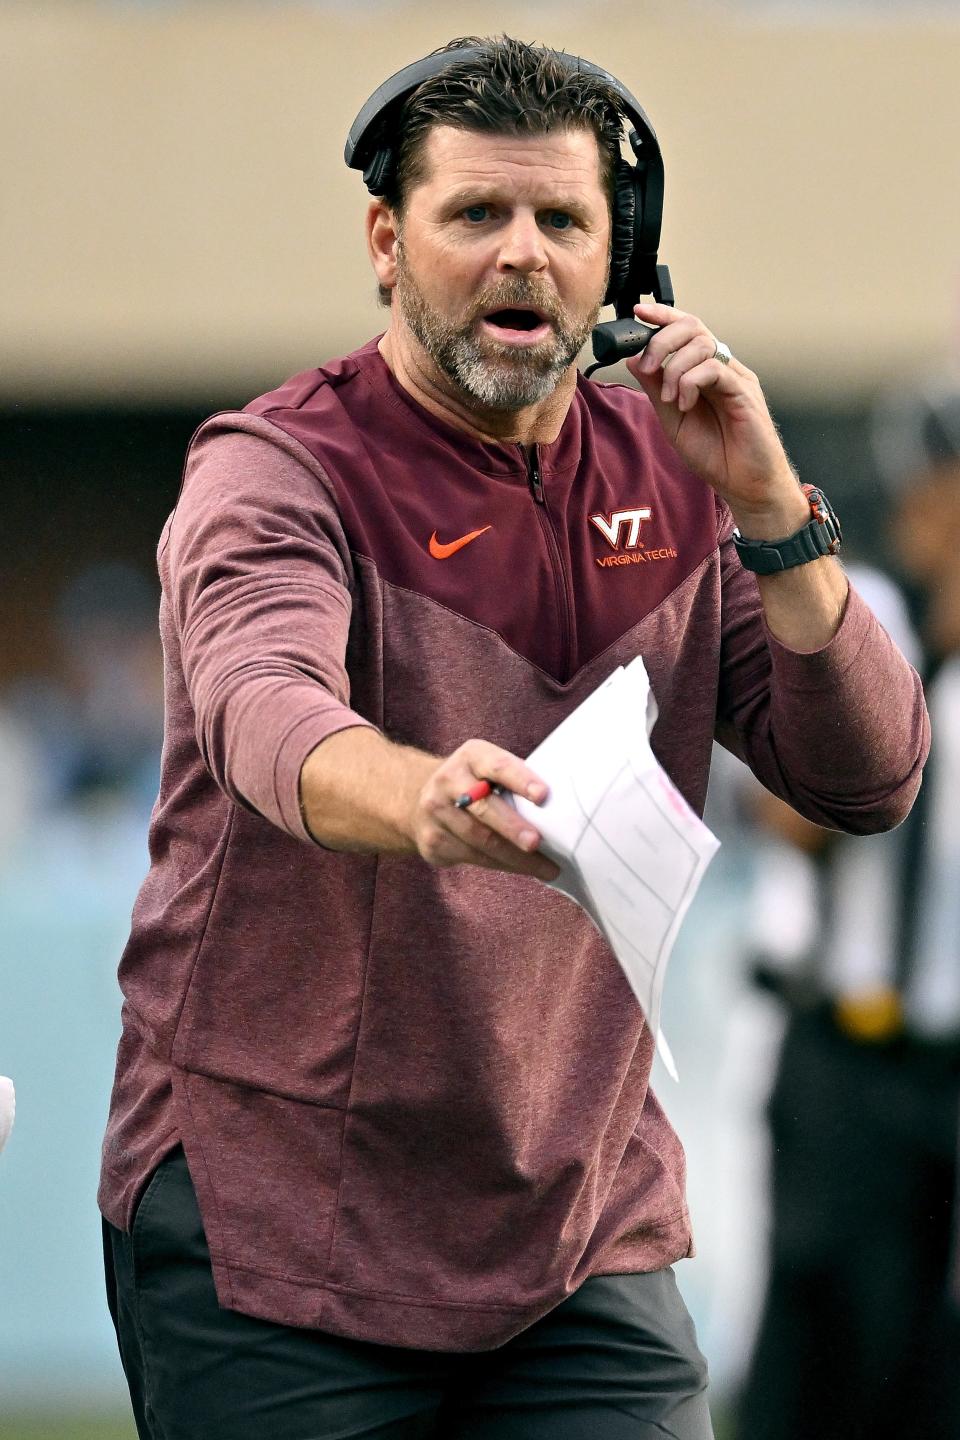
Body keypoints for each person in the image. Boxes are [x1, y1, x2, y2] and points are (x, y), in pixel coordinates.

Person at [98, 36, 929, 1440]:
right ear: (387, 242)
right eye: (475, 215)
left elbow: (872, 775)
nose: (523, 255)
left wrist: (775, 503)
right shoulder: (275, 466)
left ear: (627, 263)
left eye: (562, 220)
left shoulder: (680, 472)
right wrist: (419, 795)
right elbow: (262, 705)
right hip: (280, 1220)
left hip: (576, 1230)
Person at [737, 384, 960, 1440]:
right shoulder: (865, 615)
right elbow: (787, 816)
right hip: (849, 1059)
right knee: (824, 1362)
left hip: (949, 1070)